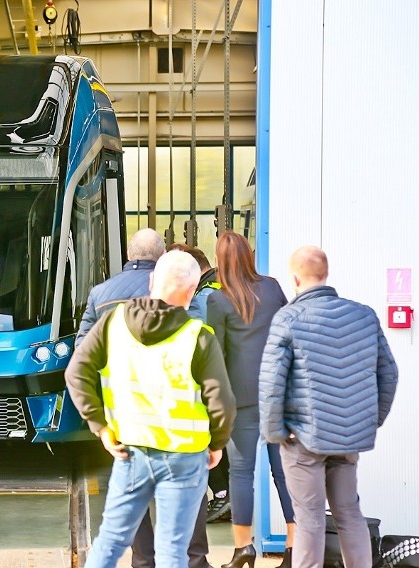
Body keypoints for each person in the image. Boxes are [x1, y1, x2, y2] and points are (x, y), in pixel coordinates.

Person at [66, 250, 236, 568]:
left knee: (111, 542)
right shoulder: (199, 337)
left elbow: (77, 373)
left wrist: (101, 426)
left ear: (151, 281)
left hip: (130, 450)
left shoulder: (113, 324)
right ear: (192, 292)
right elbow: (222, 402)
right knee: (175, 550)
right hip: (184, 457)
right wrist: (216, 444)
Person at [260, 245, 398, 568]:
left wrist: (276, 433)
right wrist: (369, 421)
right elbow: (388, 374)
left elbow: (270, 383)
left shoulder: (289, 318)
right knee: (349, 513)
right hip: (348, 438)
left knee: (309, 520)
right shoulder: (364, 315)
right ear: (326, 274)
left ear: (294, 278)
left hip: (303, 439)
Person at [206, 231, 295, 568]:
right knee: (284, 473)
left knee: (241, 475)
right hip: (277, 395)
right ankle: (292, 548)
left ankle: (244, 549)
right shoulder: (272, 288)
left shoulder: (219, 300)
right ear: (248, 255)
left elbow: (217, 354)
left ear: (220, 261)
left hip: (240, 398)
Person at [168, 243, 230, 524]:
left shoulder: (202, 297)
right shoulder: (220, 286)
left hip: (206, 378)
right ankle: (224, 494)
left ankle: (222, 494)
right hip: (227, 374)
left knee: (208, 437)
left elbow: (192, 339)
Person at [75, 228, 165, 348]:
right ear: (163, 254)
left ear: (128, 254)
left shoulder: (98, 292)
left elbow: (83, 346)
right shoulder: (175, 290)